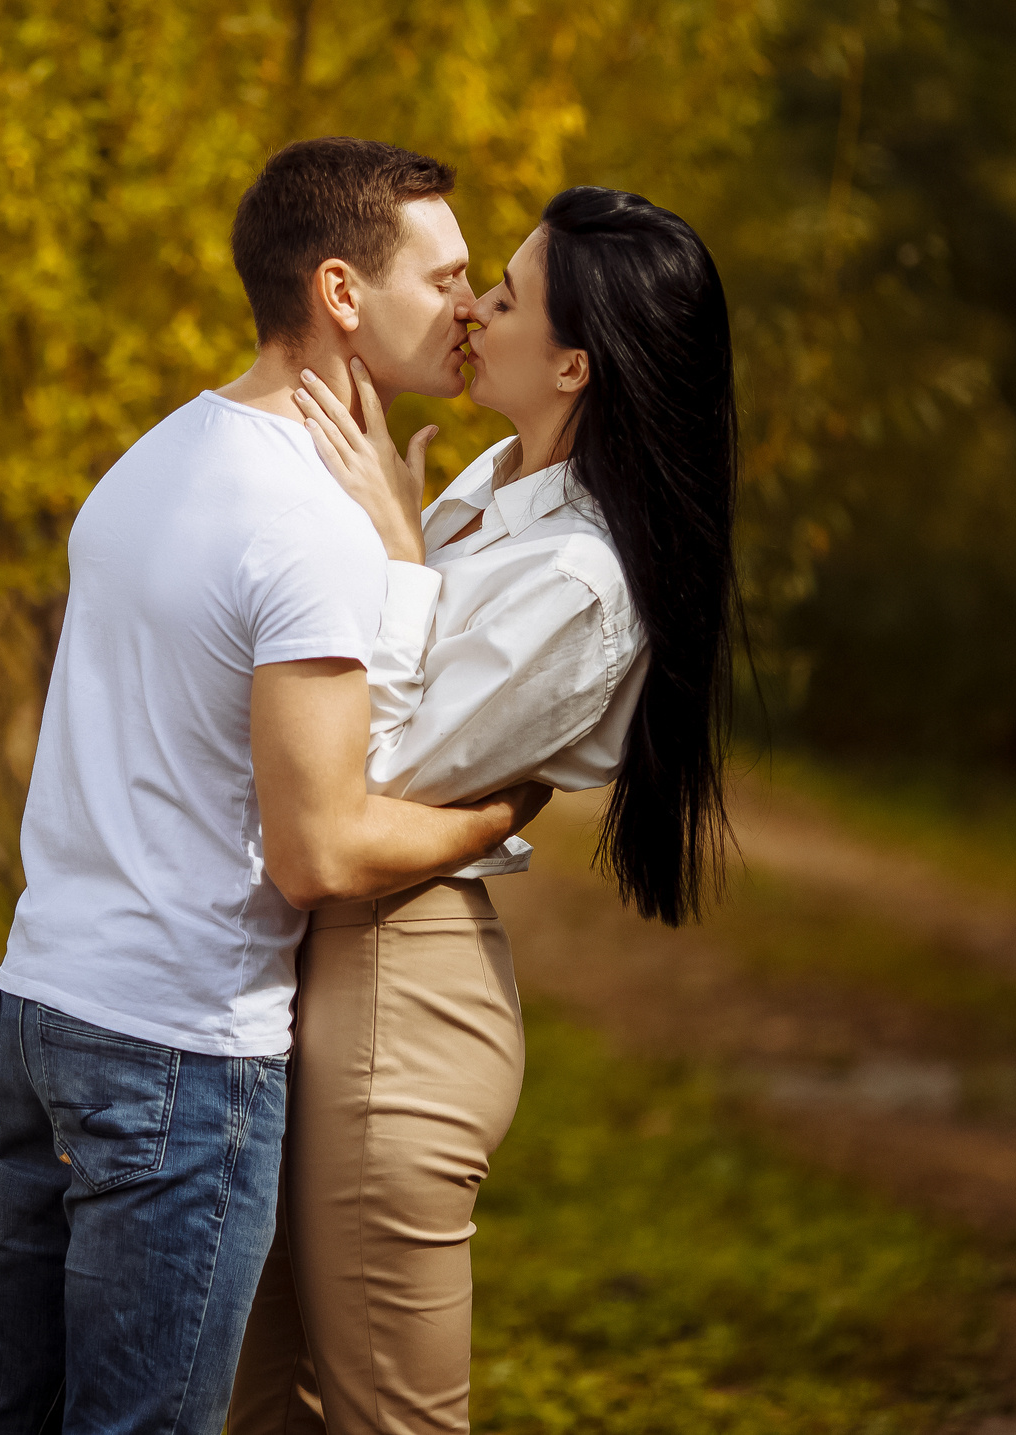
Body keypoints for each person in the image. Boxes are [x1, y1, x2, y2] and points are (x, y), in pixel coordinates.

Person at [0, 138, 555, 1435]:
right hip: (175, 1049)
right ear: (339, 292)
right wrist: (499, 811)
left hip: (45, 1002)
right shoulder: (305, 519)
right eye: (442, 276)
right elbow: (315, 849)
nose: (468, 304)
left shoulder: (152, 459)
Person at [228, 186, 739, 1435]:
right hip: (327, 967)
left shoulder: (579, 579)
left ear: (572, 363)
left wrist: (399, 557)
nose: (467, 307)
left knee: (384, 1419)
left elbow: (371, 778)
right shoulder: (495, 486)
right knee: (250, 1406)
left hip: (398, 989)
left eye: (501, 297)